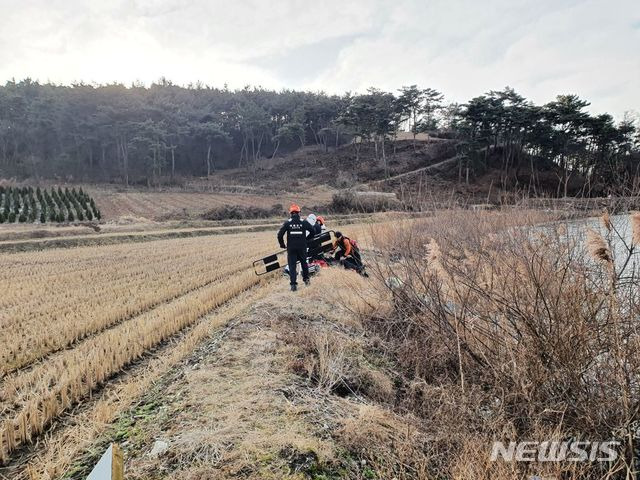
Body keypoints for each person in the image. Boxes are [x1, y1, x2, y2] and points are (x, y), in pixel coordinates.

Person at [278, 204, 315, 291]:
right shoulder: (304, 222)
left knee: (292, 266)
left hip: (291, 248)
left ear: (291, 213)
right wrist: (306, 239)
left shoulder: (288, 223)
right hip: (302, 247)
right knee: (304, 264)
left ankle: (293, 286)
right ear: (299, 213)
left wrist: (282, 244)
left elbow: (279, 235)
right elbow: (312, 231)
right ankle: (306, 281)